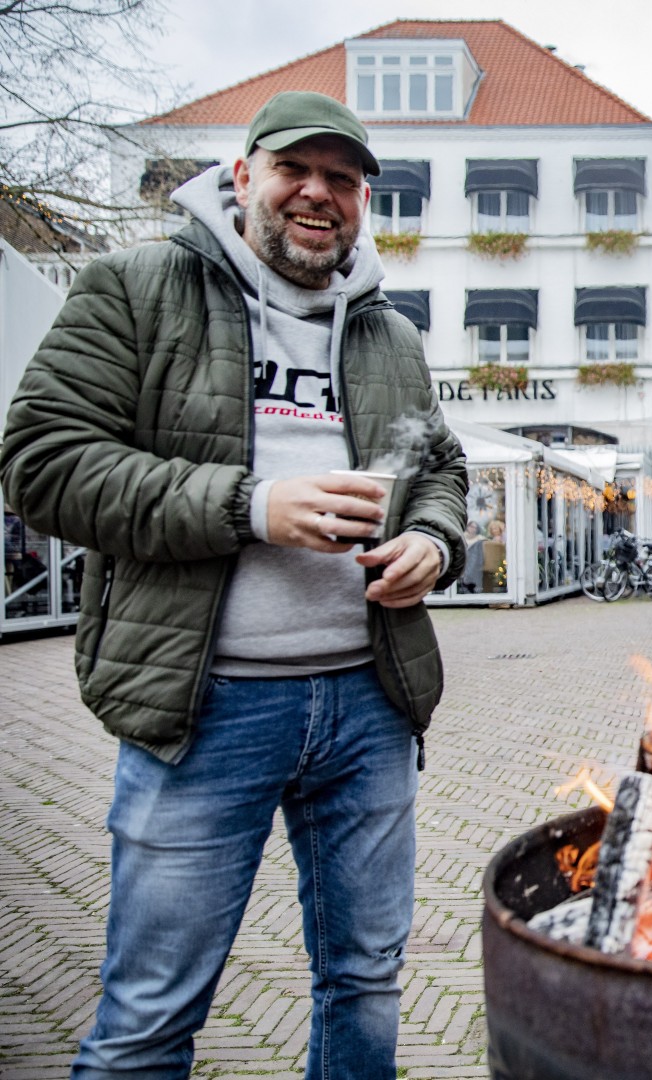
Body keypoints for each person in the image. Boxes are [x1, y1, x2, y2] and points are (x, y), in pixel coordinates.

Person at [0, 91, 468, 1080]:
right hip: (203, 708)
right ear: (244, 176)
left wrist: (432, 538)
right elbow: (41, 462)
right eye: (296, 169)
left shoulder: (391, 335)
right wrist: (251, 507)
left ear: (363, 199)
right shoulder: (137, 288)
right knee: (150, 1015)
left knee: (368, 981)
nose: (318, 193)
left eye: (342, 178)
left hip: (371, 705)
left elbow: (439, 474)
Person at [460, 520, 485, 592]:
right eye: (471, 526)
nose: (472, 528)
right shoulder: (462, 537)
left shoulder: (480, 539)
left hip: (475, 562)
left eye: (475, 527)